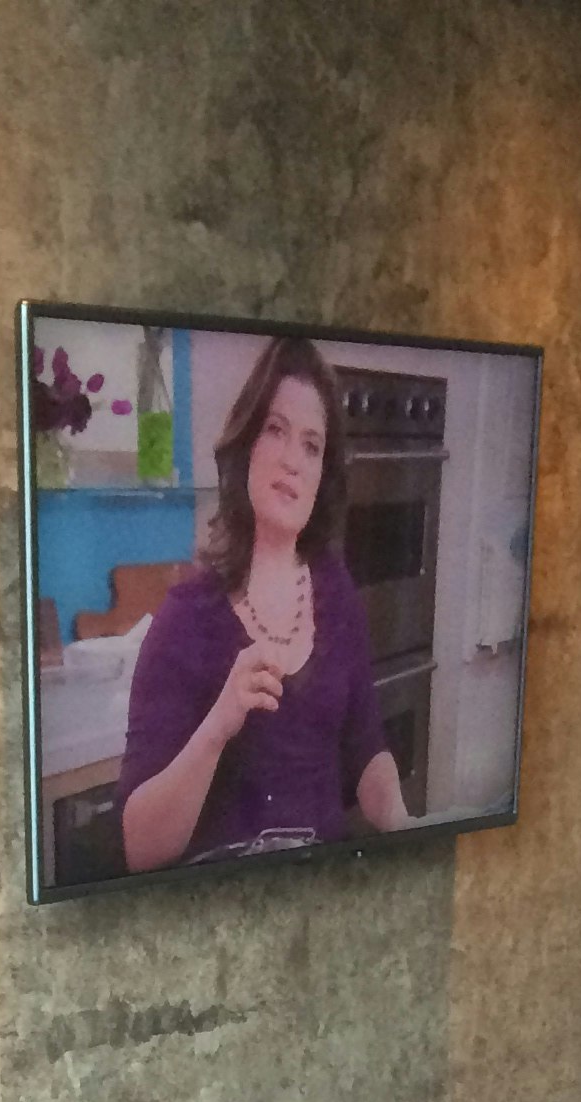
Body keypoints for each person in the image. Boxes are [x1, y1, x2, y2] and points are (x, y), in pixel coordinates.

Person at [119, 336, 409, 872]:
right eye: (275, 430)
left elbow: (367, 747)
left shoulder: (336, 593)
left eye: (312, 446)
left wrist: (402, 823)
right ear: (247, 445)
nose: (292, 460)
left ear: (323, 476)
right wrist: (218, 726)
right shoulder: (187, 618)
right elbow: (139, 849)